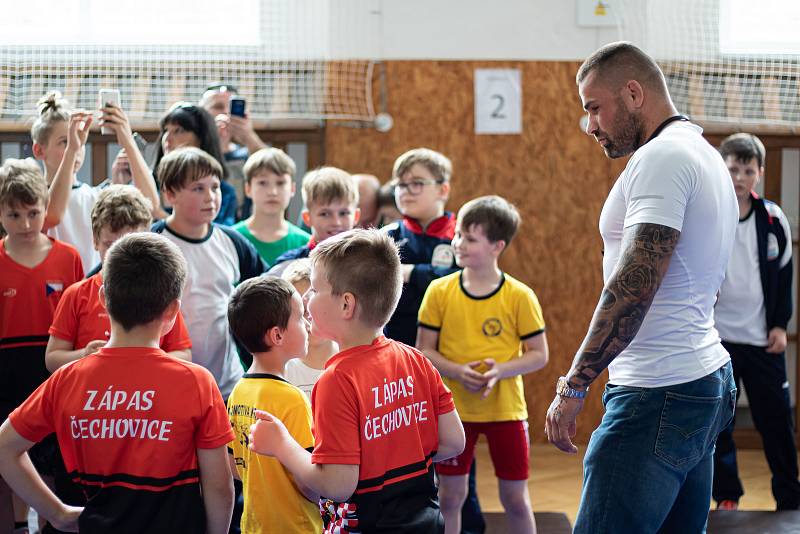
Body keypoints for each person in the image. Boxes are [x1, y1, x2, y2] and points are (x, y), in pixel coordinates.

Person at [544, 41, 738, 533]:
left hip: (659, 392)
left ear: (633, 93)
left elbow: (632, 287)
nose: (590, 125)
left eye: (594, 107)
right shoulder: (703, 153)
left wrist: (575, 383)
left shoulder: (664, 159)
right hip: (701, 378)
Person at [0, 233, 235, 533]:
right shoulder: (197, 382)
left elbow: (4, 447)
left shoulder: (68, 379)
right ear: (173, 311)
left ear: (103, 298)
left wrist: (57, 513)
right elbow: (219, 487)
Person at [248, 229, 466, 533]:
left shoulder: (336, 379)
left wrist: (282, 445)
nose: (306, 299)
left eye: (313, 289)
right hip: (426, 521)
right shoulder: (415, 359)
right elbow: (454, 441)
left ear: (346, 305)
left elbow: (337, 485)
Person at [417, 195, 549, 534]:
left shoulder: (519, 295)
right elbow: (424, 351)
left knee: (515, 498)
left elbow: (539, 354)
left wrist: (499, 370)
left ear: (497, 246)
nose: (458, 244)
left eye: (470, 239)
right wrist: (458, 371)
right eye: (458, 234)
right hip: (455, 411)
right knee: (450, 497)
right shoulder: (439, 291)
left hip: (506, 410)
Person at [712, 133, 800, 511]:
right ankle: (727, 496)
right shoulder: (710, 214)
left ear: (759, 174)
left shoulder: (772, 219)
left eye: (747, 170)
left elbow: (784, 276)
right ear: (722, 168)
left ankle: (789, 498)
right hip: (718, 343)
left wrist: (780, 325)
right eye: (733, 168)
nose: (739, 177)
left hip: (763, 340)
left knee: (777, 423)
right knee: (720, 426)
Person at [0, 159, 83, 533]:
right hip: (6, 371)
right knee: (9, 452)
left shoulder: (68, 257)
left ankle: (52, 523)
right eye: (14, 215)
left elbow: (78, 322)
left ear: (45, 207)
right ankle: (17, 526)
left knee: (54, 457)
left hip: (54, 367)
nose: (26, 224)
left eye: (33, 213)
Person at [152, 147, 265, 399]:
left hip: (227, 386)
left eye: (214, 187)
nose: (210, 197)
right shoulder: (152, 243)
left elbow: (266, 291)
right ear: (170, 194)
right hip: (169, 386)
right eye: (198, 188)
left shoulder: (233, 243)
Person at [46, 185, 192, 373]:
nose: (119, 254)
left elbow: (183, 353)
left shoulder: (158, 291)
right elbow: (52, 358)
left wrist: (147, 358)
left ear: (147, 239)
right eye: (110, 244)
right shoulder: (76, 294)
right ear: (95, 240)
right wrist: (84, 355)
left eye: (130, 244)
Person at [226, 276, 321, 533]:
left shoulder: (239, 391)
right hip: (295, 525)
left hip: (254, 525)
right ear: (277, 335)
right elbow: (309, 485)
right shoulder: (291, 398)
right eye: (300, 317)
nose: (308, 323)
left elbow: (234, 466)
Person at [32, 92, 160, 273]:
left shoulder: (96, 195)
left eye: (78, 139)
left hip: (95, 290)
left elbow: (150, 204)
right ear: (39, 150)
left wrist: (127, 140)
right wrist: (72, 149)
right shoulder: (33, 201)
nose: (75, 146)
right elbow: (52, 215)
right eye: (65, 141)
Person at [384, 147, 458, 347]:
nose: (405, 191)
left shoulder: (461, 235)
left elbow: (465, 280)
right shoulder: (386, 237)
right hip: (398, 343)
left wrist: (413, 273)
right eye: (400, 184)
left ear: (443, 190)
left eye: (416, 183)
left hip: (452, 344)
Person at [152, 102, 238, 225]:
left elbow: (212, 235)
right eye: (166, 130)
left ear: (201, 138)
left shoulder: (224, 192)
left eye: (179, 130)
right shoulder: (149, 182)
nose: (167, 138)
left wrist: (158, 214)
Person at [268, 167, 359, 276]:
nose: (336, 222)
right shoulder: (287, 266)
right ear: (307, 218)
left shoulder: (366, 262)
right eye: (325, 214)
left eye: (343, 213)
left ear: (356, 216)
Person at [199, 83, 267, 220]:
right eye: (218, 107)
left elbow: (275, 167)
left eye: (231, 107)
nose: (225, 112)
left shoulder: (249, 155)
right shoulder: (194, 155)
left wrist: (249, 137)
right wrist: (212, 141)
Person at [232, 147, 311, 266]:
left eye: (280, 183)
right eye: (263, 183)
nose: (272, 192)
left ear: (292, 189)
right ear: (248, 189)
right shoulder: (232, 238)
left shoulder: (306, 242)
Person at [281, 259, 338, 398]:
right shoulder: (283, 371)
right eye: (300, 312)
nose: (308, 317)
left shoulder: (349, 359)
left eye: (313, 305)